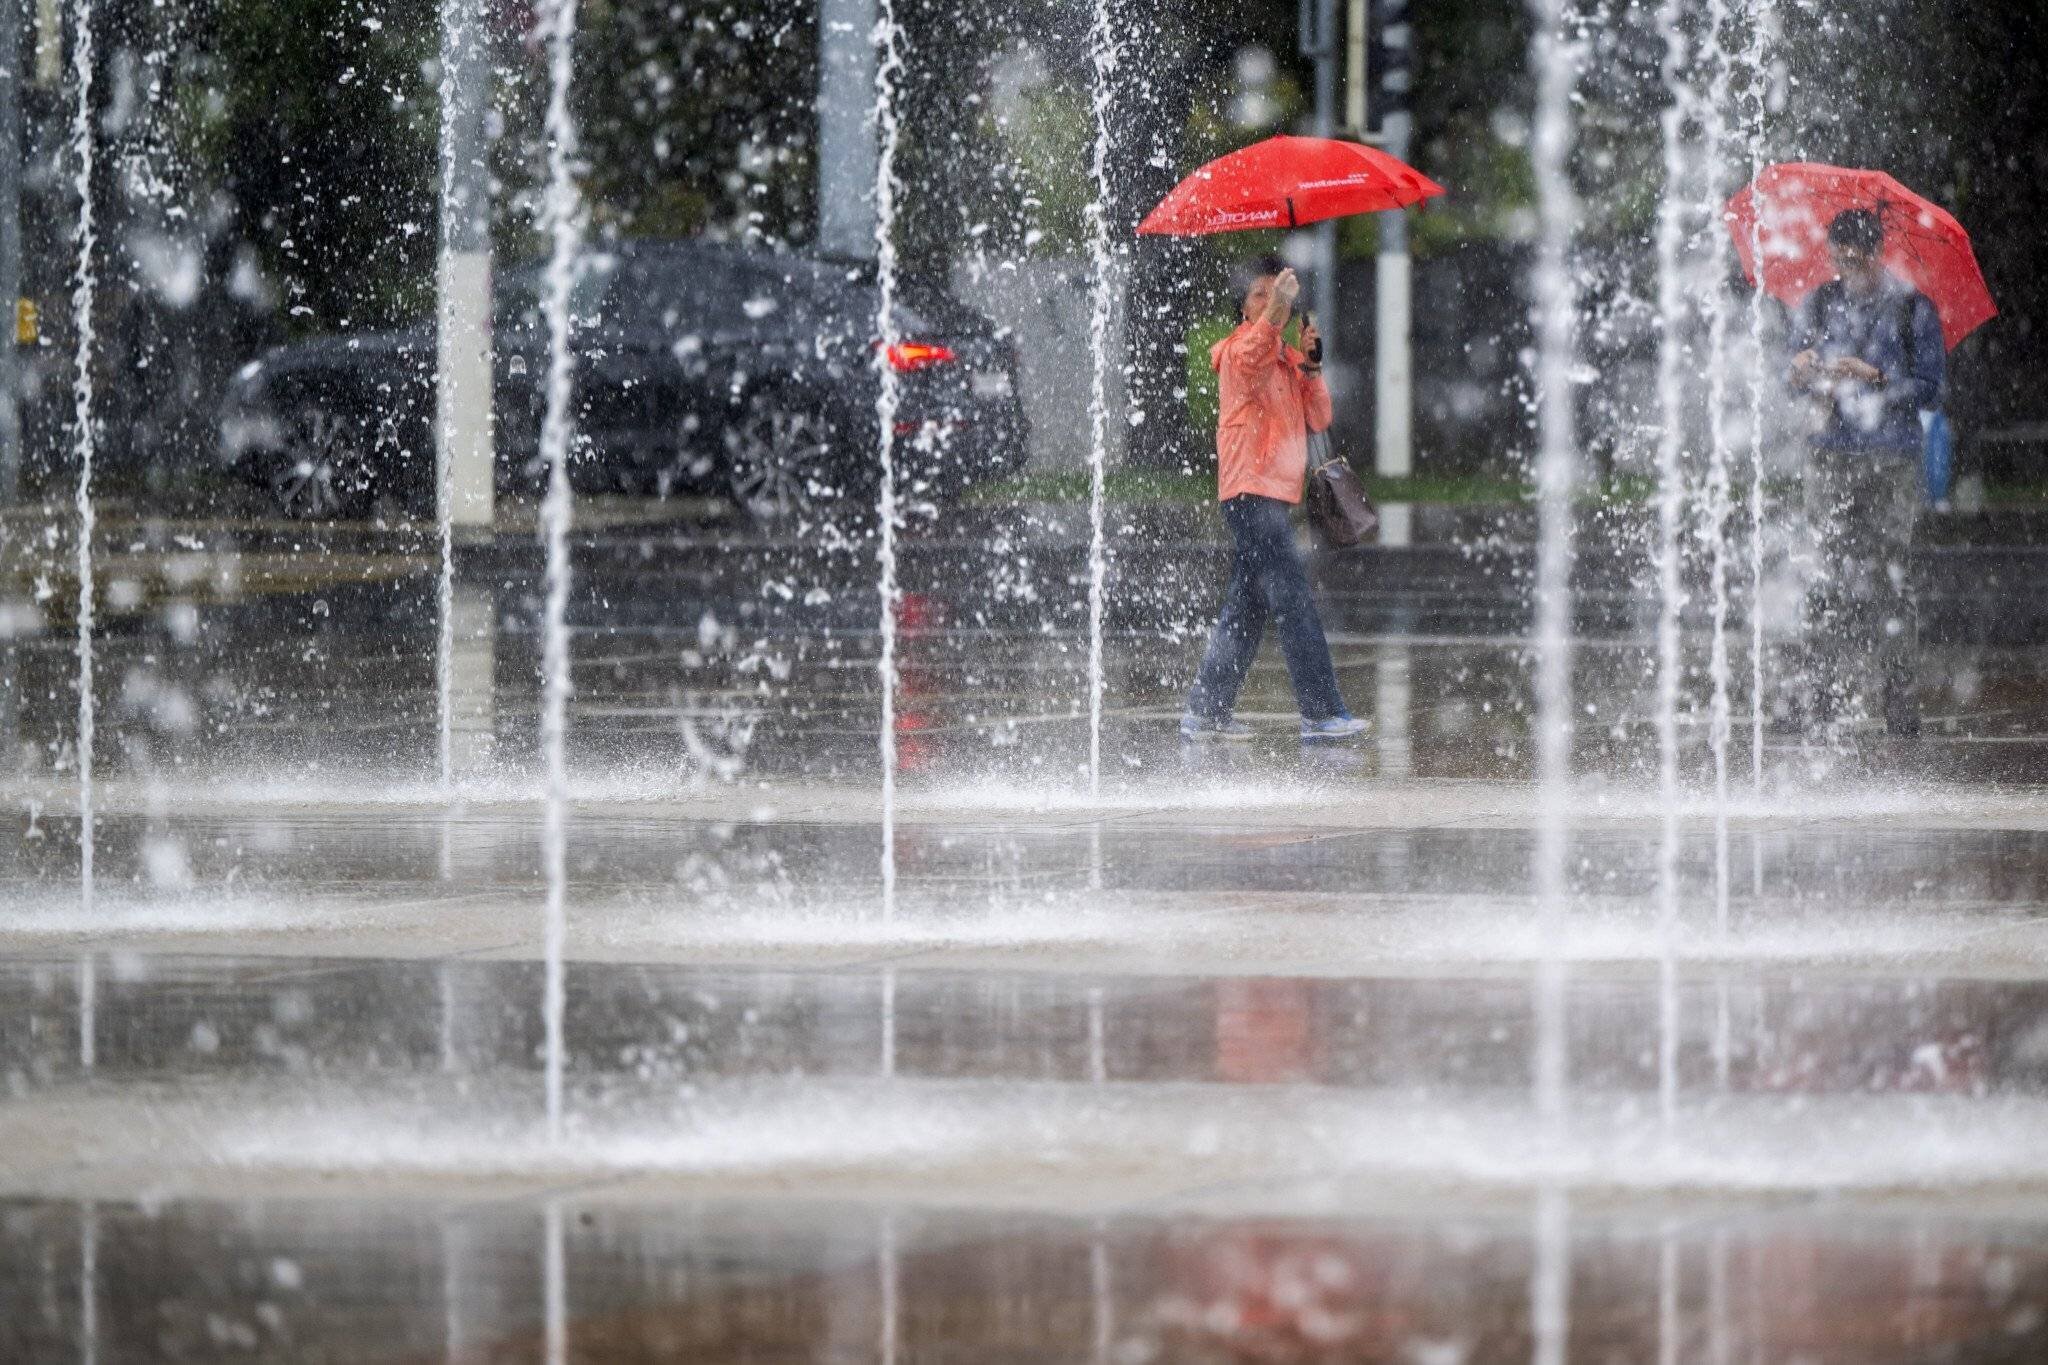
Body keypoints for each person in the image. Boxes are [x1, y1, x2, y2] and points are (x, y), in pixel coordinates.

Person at [1181, 258, 1368, 742]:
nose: (1270, 300)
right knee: (1292, 596)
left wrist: (1312, 366)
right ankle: (1321, 712)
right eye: (1259, 294)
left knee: (1247, 605)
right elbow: (1253, 355)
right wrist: (1277, 311)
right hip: (1250, 492)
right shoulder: (1238, 350)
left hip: (1273, 495)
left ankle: (1207, 710)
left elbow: (1319, 417)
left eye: (1276, 292)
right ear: (1244, 310)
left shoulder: (1285, 358)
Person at [1787, 208, 1945, 739]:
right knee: (1824, 573)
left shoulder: (1912, 308)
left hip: (1890, 459)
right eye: (1838, 259)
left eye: (1854, 260)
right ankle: (1821, 693)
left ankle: (1898, 697)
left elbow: (1931, 389)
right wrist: (1800, 372)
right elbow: (1791, 376)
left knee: (1891, 577)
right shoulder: (1819, 303)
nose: (1845, 270)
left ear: (1877, 255)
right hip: (1829, 455)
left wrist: (1874, 376)